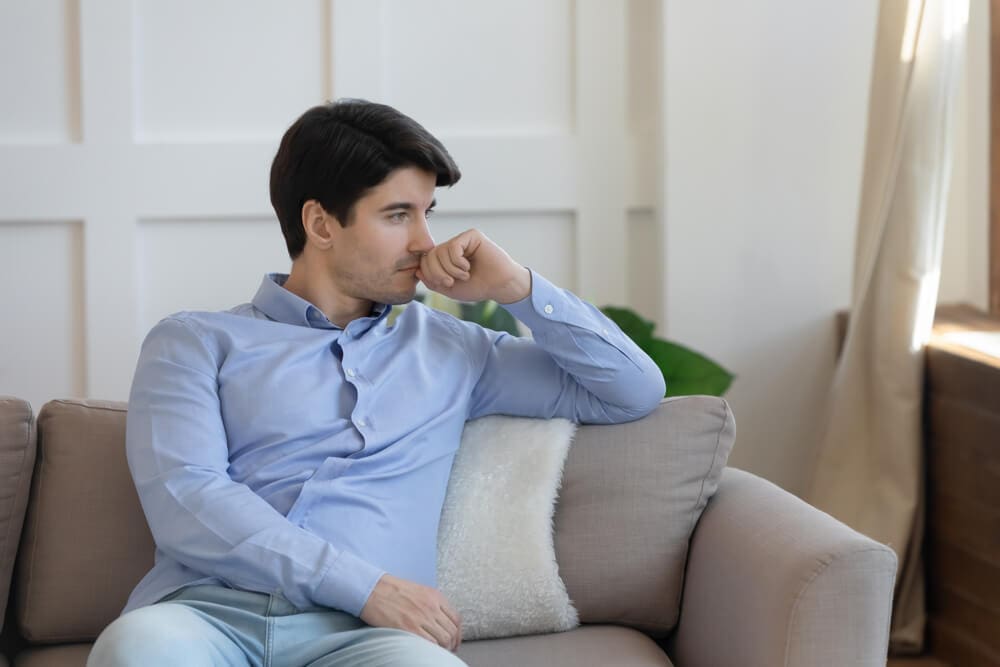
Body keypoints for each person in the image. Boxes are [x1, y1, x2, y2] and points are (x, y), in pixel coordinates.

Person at [88, 99, 666, 667]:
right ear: (319, 223)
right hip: (205, 620)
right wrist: (366, 586)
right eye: (397, 215)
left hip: (366, 640)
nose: (423, 241)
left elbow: (632, 390)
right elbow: (188, 498)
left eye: (427, 213)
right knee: (135, 650)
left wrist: (517, 287)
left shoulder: (455, 349)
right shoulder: (192, 342)